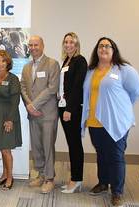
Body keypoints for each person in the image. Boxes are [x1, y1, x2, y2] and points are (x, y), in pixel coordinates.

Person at [81, 37, 139, 206]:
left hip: (115, 121)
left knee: (116, 156)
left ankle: (117, 191)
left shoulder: (124, 69)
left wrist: (121, 108)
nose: (104, 48)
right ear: (97, 50)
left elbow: (137, 91)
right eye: (101, 46)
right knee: (101, 153)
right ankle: (103, 183)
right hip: (95, 120)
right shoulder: (91, 70)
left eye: (108, 46)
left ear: (113, 49)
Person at [20, 35, 60, 193]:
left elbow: (52, 88)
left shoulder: (52, 64)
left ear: (43, 46)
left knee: (47, 146)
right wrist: (29, 105)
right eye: (30, 45)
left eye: (36, 44)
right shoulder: (27, 67)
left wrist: (34, 104)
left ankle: (50, 178)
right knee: (36, 146)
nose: (33, 48)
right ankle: (41, 174)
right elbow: (23, 86)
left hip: (48, 113)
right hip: (33, 113)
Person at [0, 50, 22, 190]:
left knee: (6, 149)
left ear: (8, 62)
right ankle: (4, 174)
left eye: (3, 60)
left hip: (8, 115)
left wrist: (10, 120)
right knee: (1, 148)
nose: (0, 63)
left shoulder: (13, 78)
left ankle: (10, 177)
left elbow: (16, 100)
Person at [58, 32, 87, 193]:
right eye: (66, 42)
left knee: (75, 144)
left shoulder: (80, 61)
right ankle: (75, 178)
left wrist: (69, 108)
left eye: (71, 42)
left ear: (76, 45)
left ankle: (76, 179)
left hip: (72, 108)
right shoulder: (67, 61)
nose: (68, 44)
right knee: (72, 143)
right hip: (63, 106)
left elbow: (77, 87)